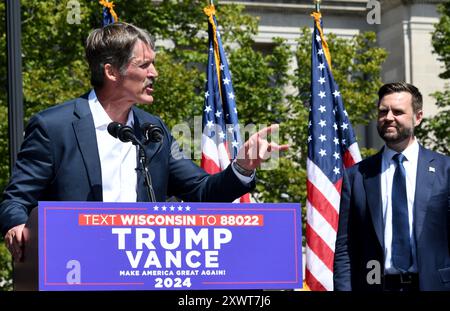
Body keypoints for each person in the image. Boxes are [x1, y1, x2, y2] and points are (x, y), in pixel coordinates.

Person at [0, 22, 288, 262]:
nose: (154, 73)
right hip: (75, 268)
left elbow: (200, 191)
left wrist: (243, 167)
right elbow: (16, 198)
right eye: (145, 65)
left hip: (142, 270)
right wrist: (16, 225)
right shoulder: (55, 126)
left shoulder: (153, 129)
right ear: (112, 72)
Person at [334, 82, 450, 291]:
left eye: (397, 112)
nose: (388, 117)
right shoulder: (357, 176)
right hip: (375, 285)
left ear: (418, 117)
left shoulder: (445, 170)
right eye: (382, 111)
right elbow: (345, 248)